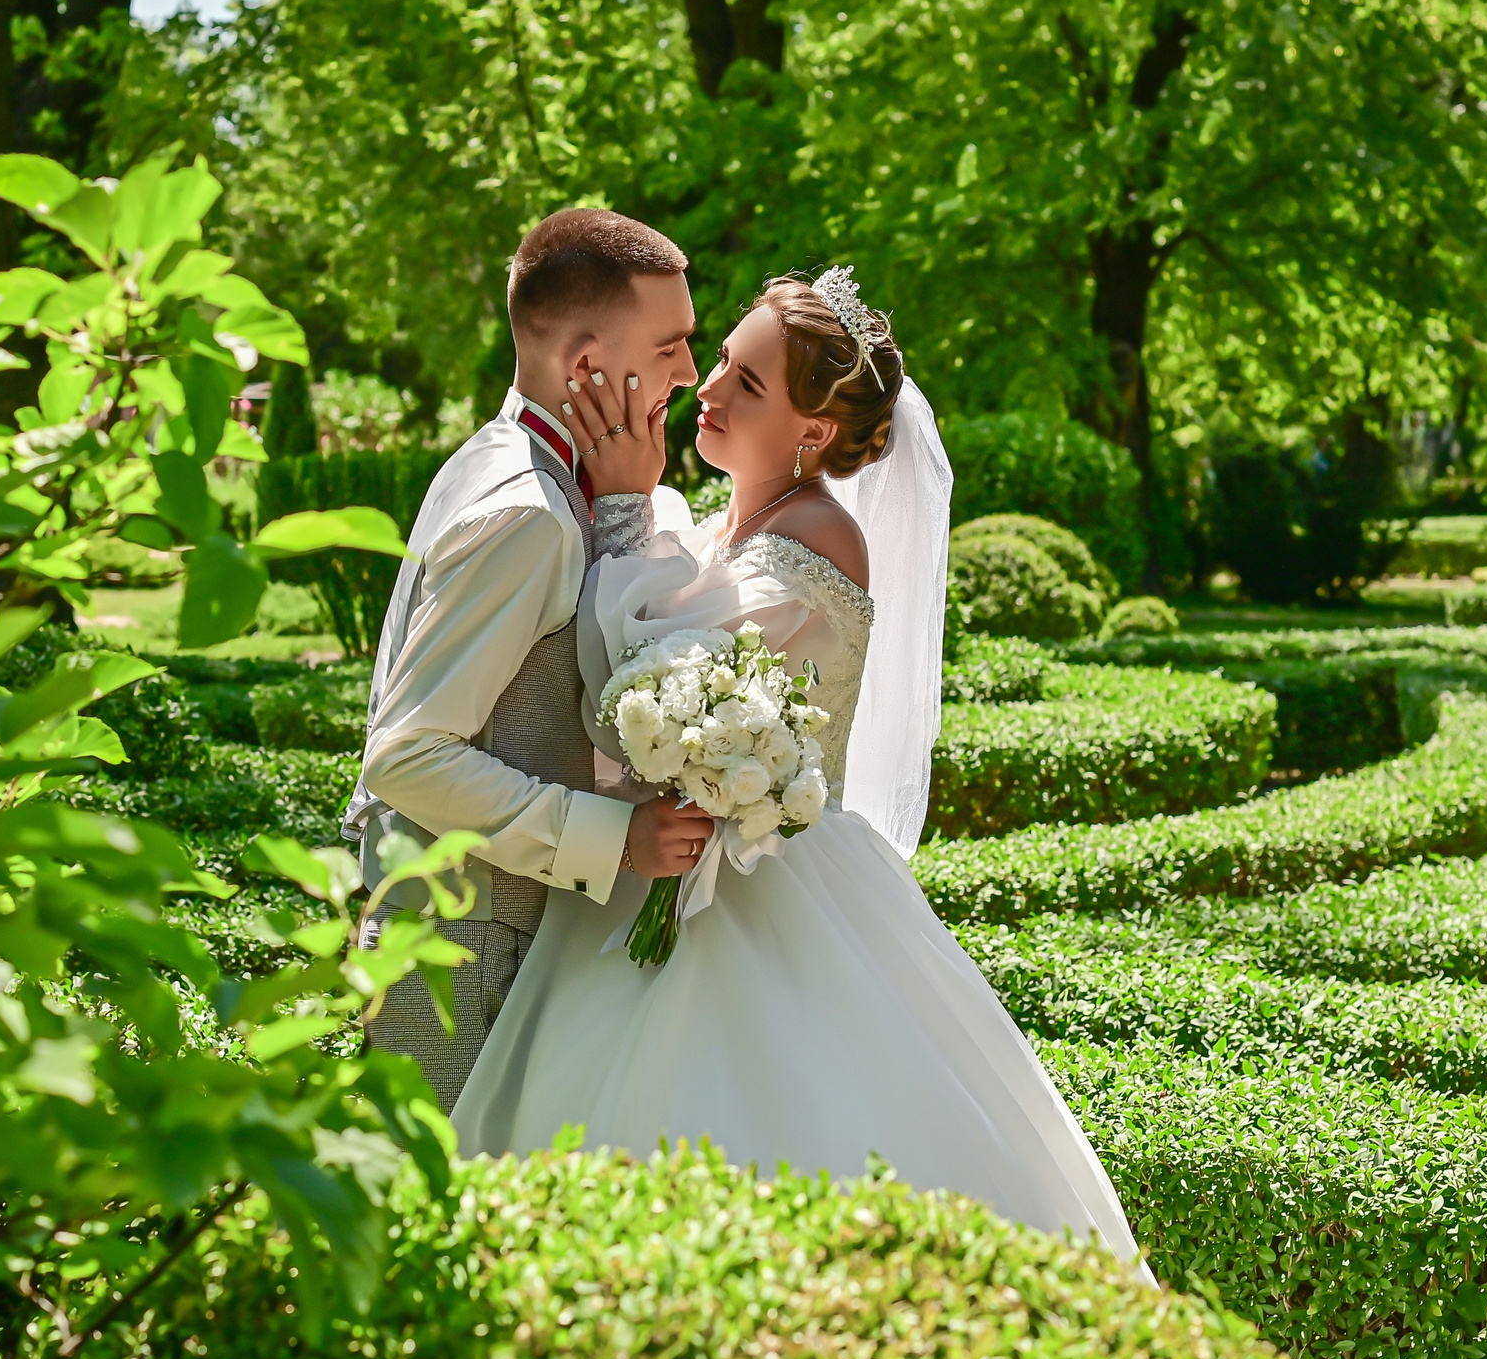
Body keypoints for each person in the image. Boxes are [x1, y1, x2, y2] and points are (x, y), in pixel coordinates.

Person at [454, 268, 1151, 1269]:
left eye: (746, 382)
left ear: (812, 433)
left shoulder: (818, 539)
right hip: (654, 861)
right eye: (723, 362)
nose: (709, 389)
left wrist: (616, 510)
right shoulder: (723, 518)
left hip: (754, 886)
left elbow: (636, 683)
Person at [349, 208, 713, 1109]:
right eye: (670, 347)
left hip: (476, 937)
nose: (690, 374)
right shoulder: (526, 513)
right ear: (588, 368)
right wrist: (615, 838)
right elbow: (406, 753)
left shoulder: (511, 460)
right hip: (459, 954)